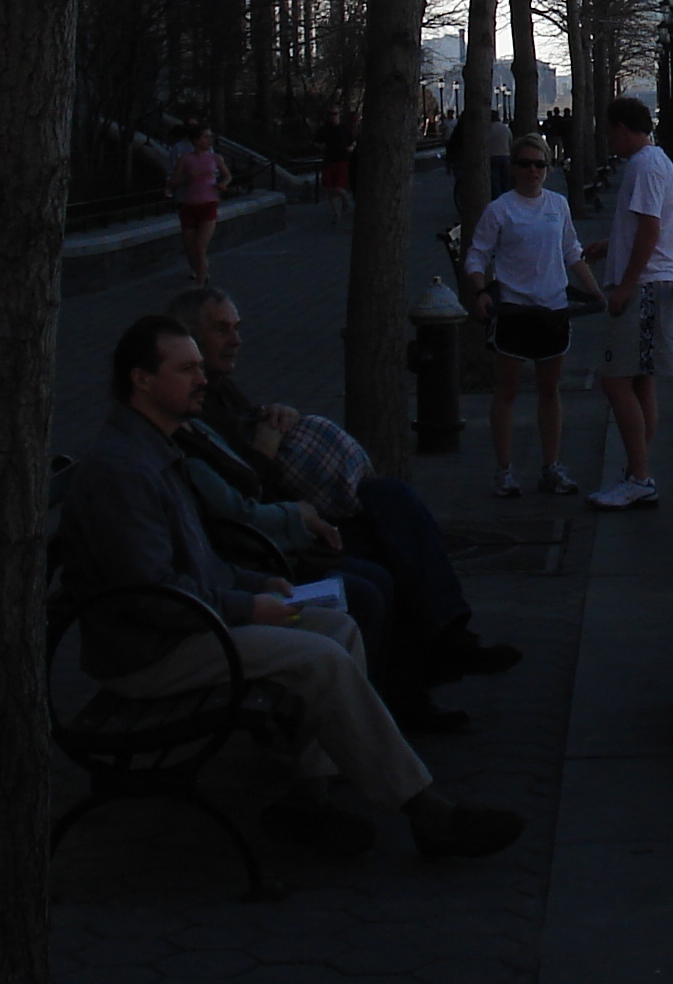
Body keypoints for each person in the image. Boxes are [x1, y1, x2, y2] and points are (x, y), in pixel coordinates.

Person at [58, 315, 523, 861]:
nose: (202, 380)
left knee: (339, 625)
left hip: (182, 624)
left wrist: (262, 583)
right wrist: (251, 606)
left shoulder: (157, 448)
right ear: (141, 380)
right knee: (318, 657)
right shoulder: (125, 470)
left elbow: (197, 562)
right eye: (186, 369)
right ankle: (425, 811)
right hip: (150, 652)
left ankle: (311, 798)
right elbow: (150, 594)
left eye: (200, 368)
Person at [168, 285, 521, 687]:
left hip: (297, 513)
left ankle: (451, 635)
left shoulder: (219, 388)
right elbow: (241, 492)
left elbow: (252, 430)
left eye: (237, 328)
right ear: (188, 341)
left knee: (390, 496)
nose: (236, 340)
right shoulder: (189, 412)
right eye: (221, 330)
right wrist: (266, 455)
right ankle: (418, 674)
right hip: (277, 533)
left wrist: (277, 414)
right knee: (388, 560)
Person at [464, 134, 600, 498]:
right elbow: (477, 255)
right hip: (513, 310)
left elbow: (572, 252)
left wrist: (595, 291)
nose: (533, 171)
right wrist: (480, 291)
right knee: (507, 390)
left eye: (540, 165)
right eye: (525, 164)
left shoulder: (557, 205)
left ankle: (551, 466)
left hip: (553, 309)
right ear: (513, 168)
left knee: (549, 390)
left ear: (548, 168)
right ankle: (505, 470)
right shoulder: (500, 210)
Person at [582, 96, 673, 511]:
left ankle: (641, 477)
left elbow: (648, 230)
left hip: (645, 287)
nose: (609, 140)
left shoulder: (643, 166)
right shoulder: (660, 163)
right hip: (659, 281)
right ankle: (637, 469)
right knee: (642, 379)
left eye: (610, 131)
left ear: (623, 128)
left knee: (615, 378)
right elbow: (652, 228)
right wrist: (611, 246)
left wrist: (624, 286)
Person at [164, 124, 231, 285]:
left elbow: (227, 175)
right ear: (195, 140)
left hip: (208, 203)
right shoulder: (185, 159)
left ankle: (200, 286)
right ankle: (200, 271)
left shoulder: (216, 158)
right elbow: (174, 179)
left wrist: (223, 184)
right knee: (190, 247)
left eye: (210, 137)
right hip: (189, 205)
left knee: (200, 247)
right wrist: (171, 187)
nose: (210, 140)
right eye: (206, 137)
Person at [314, 107, 357, 226]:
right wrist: (320, 146)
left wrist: (351, 148)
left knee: (338, 186)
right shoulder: (323, 130)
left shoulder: (344, 129)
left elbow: (353, 141)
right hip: (329, 160)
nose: (332, 116)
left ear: (339, 115)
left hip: (342, 160)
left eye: (335, 114)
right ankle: (336, 213)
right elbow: (316, 142)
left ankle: (345, 197)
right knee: (329, 188)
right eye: (330, 114)